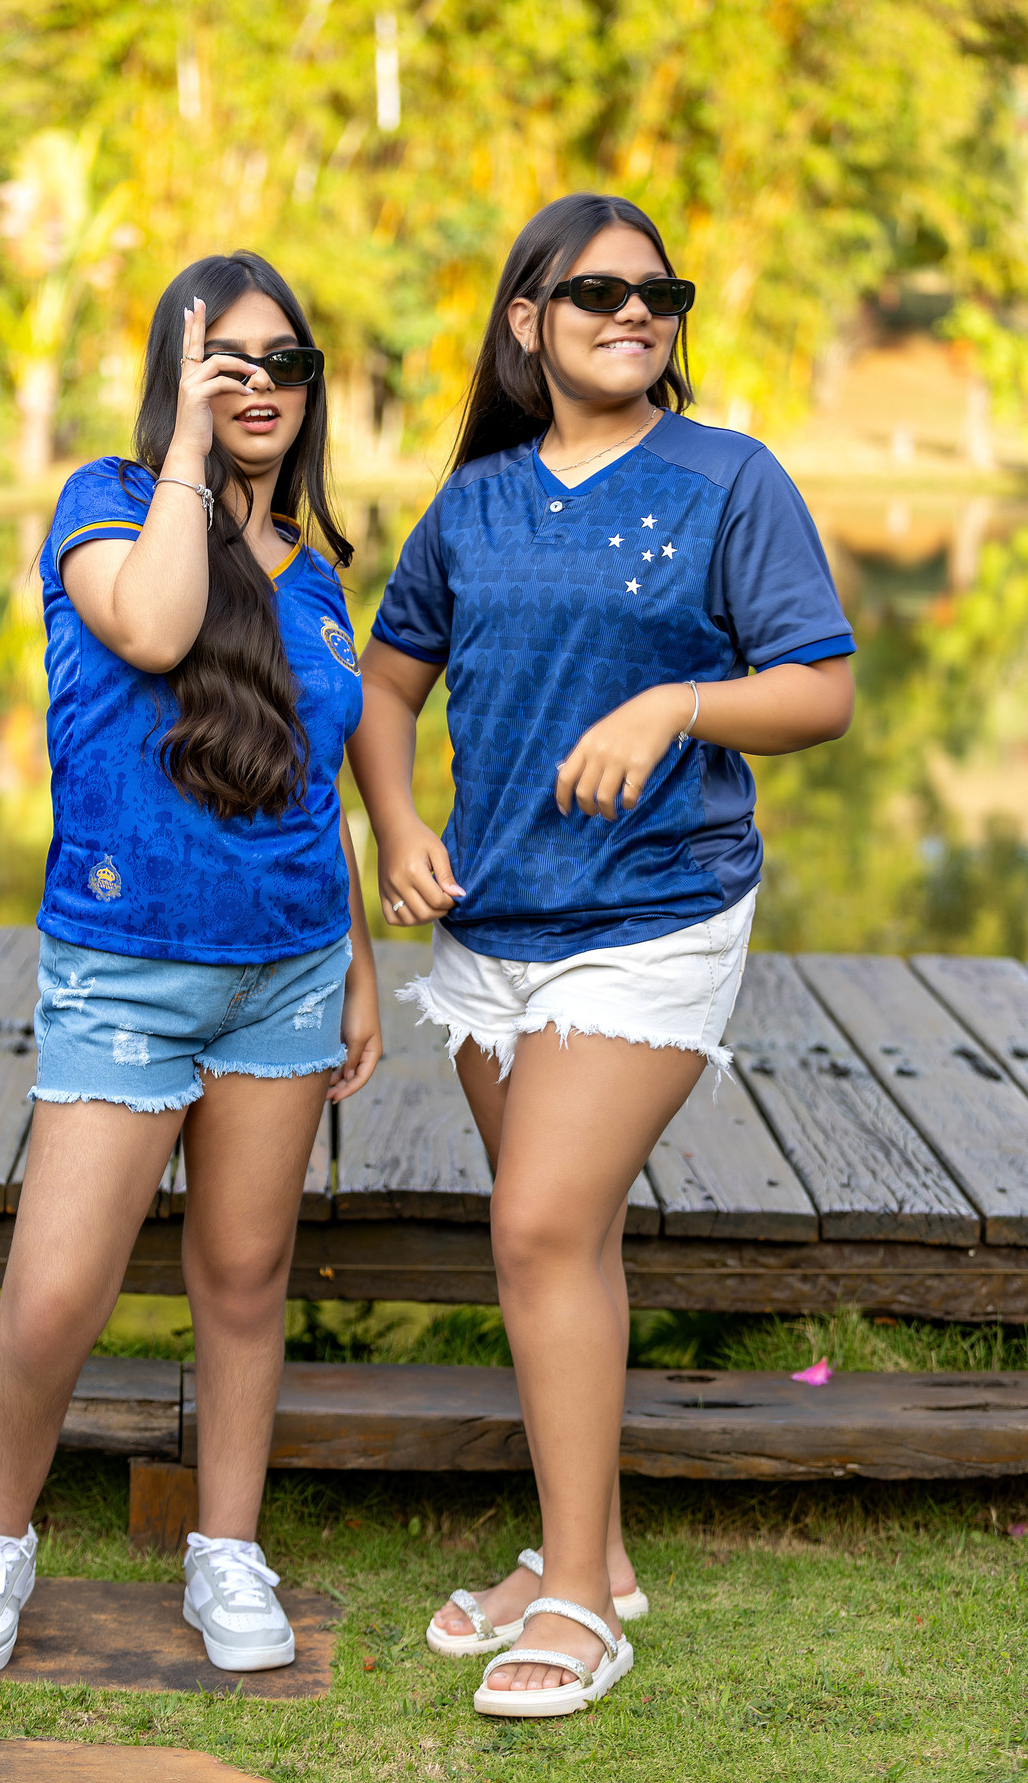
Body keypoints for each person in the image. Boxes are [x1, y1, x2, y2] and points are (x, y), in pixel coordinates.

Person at [347, 193, 854, 1717]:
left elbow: (818, 690)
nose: (637, 312)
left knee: (538, 1229)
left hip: (655, 911)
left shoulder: (729, 479)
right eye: (598, 292)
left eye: (659, 293)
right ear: (529, 321)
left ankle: (575, 1603)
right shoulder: (476, 502)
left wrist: (672, 706)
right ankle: (598, 1554)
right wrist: (397, 822)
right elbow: (387, 684)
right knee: (560, 1246)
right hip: (493, 926)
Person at [0, 252, 381, 1678]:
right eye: (225, 361)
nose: (260, 385)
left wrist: (361, 965)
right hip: (124, 966)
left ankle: (225, 1551)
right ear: (176, 378)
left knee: (245, 1275)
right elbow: (159, 626)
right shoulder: (105, 507)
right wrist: (188, 450)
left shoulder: (317, 574)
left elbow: (315, 787)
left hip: (287, 971)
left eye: (285, 362)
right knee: (60, 1289)